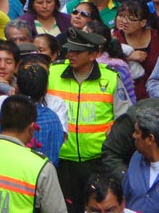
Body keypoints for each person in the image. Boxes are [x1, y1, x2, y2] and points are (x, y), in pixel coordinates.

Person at [48, 28, 131, 213]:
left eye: (77, 52)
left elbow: (124, 117)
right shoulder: (53, 73)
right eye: (69, 50)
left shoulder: (110, 77)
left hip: (97, 163)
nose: (70, 54)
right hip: (62, 161)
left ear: (93, 54)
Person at [114, 0, 159, 100]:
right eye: (121, 16)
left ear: (143, 22)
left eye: (130, 19)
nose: (124, 21)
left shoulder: (157, 36)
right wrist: (128, 58)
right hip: (124, 95)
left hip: (153, 95)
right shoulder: (113, 37)